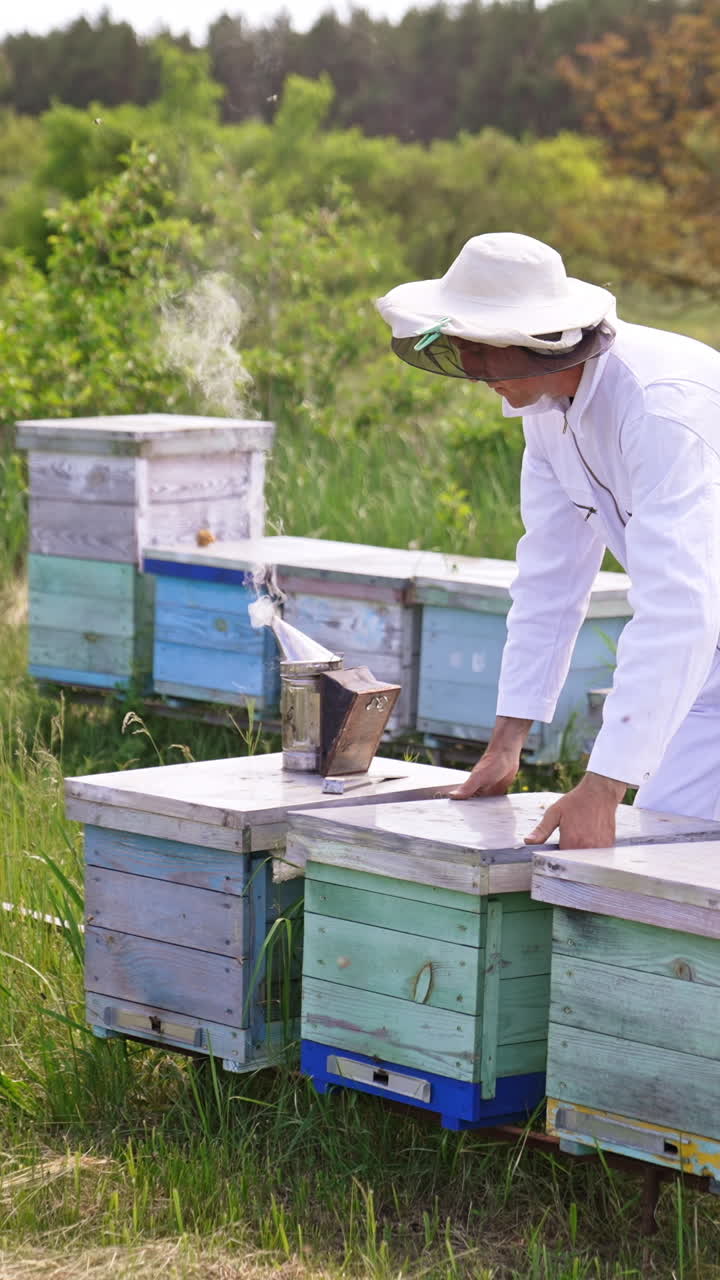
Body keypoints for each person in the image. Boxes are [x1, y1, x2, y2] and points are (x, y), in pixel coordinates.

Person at [376, 232, 720, 847]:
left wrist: (603, 785)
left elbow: (681, 604)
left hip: (699, 630)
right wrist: (508, 742)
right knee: (673, 844)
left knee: (680, 860)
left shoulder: (662, 408)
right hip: (704, 663)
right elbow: (550, 580)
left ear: (539, 340)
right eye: (461, 349)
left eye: (480, 351)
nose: (473, 372)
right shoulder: (547, 414)